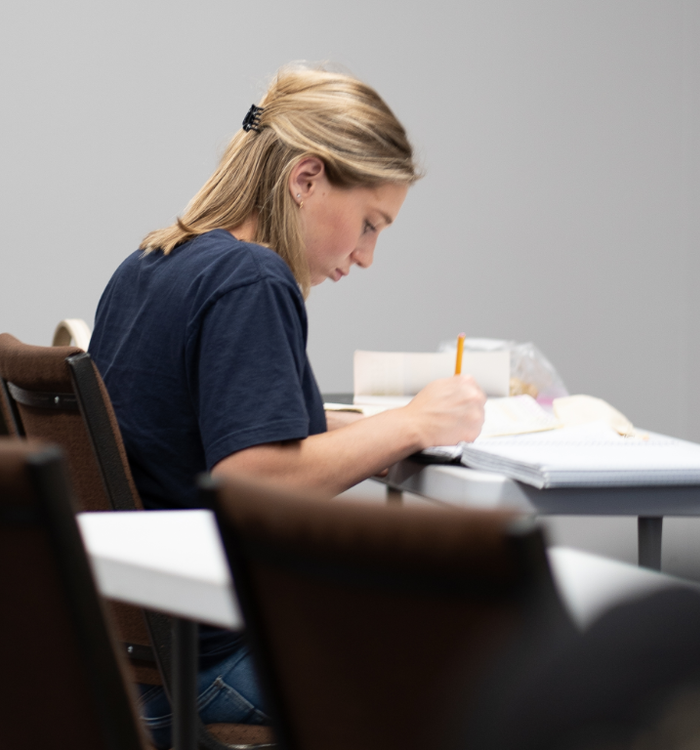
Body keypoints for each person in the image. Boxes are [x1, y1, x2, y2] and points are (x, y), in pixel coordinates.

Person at [89, 64, 486, 748]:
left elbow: (201, 424)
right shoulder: (253, 277)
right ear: (306, 179)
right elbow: (252, 478)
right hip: (207, 660)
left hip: (130, 654)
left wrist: (372, 427)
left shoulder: (153, 263)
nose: (367, 257)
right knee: (474, 673)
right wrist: (416, 423)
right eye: (369, 223)